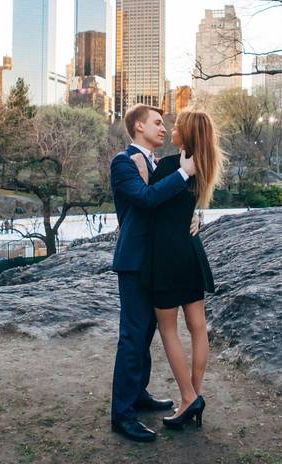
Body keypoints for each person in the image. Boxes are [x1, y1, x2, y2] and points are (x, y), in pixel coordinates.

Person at [108, 104, 200, 443]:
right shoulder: (122, 163)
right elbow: (146, 200)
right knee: (132, 336)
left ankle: (138, 394)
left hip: (157, 261)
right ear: (137, 127)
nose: (164, 129)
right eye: (157, 123)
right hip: (134, 262)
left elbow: (168, 206)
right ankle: (122, 415)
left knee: (147, 333)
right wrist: (184, 174)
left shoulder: (158, 164)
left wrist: (194, 216)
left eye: (165, 124)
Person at [131, 108, 222, 431]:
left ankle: (188, 398)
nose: (171, 130)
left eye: (177, 127)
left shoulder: (173, 166)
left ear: (188, 134)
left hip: (167, 256)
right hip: (191, 253)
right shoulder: (204, 167)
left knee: (169, 328)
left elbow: (147, 201)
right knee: (198, 326)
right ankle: (194, 393)